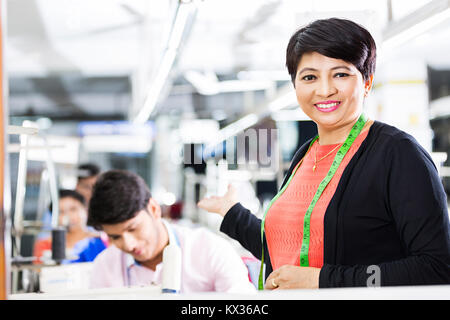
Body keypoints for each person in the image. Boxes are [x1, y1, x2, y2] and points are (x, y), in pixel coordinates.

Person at [198, 17, 450, 289]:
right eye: (309, 77)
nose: (324, 89)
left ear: (366, 81)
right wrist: (232, 214)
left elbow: (436, 268)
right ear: (295, 86)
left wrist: (321, 280)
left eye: (341, 74)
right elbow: (289, 247)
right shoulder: (305, 155)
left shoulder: (398, 154)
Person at [87, 170, 256, 293]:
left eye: (133, 228)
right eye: (115, 237)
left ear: (153, 209)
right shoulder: (104, 267)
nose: (128, 244)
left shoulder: (209, 250)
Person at [33, 189, 108, 264]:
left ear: (86, 210)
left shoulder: (102, 240)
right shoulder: (45, 245)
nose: (68, 216)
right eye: (61, 212)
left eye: (73, 209)